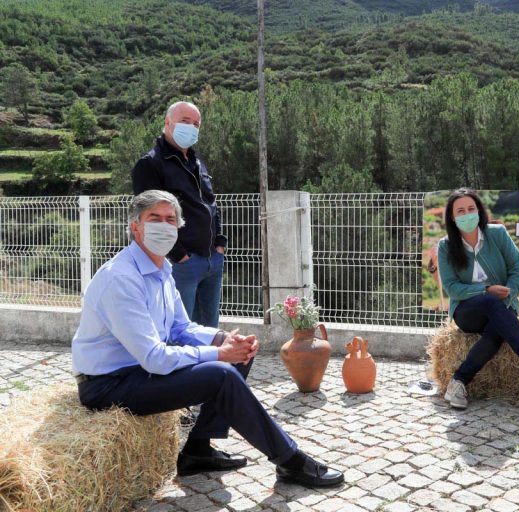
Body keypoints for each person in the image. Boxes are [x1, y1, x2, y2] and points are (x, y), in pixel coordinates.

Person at [71, 190, 344, 487]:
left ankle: (198, 451)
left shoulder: (162, 269)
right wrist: (218, 354)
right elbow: (155, 357)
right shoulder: (121, 278)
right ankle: (290, 461)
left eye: (170, 219)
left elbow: (181, 329)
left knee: (238, 356)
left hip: (139, 373)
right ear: (136, 226)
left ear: (178, 227)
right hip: (109, 385)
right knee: (222, 374)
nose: (164, 225)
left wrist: (223, 339)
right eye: (154, 218)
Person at [437, 188, 519, 409]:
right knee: (490, 301)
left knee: (496, 334)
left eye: (471, 209)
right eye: (460, 211)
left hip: (503, 305)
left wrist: (508, 296)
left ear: (480, 211)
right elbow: (452, 288)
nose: (467, 214)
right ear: (452, 217)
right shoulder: (446, 246)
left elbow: (518, 270)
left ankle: (458, 381)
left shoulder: (498, 234)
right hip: (467, 311)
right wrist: (486, 290)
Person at [132, 101, 226, 328]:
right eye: (185, 122)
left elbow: (210, 203)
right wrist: (179, 256)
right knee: (178, 330)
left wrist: (220, 243)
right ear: (167, 122)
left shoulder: (197, 161)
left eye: (196, 124)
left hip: (212, 260)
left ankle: (210, 365)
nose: (192, 128)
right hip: (181, 264)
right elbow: (149, 216)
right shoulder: (151, 164)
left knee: (209, 330)